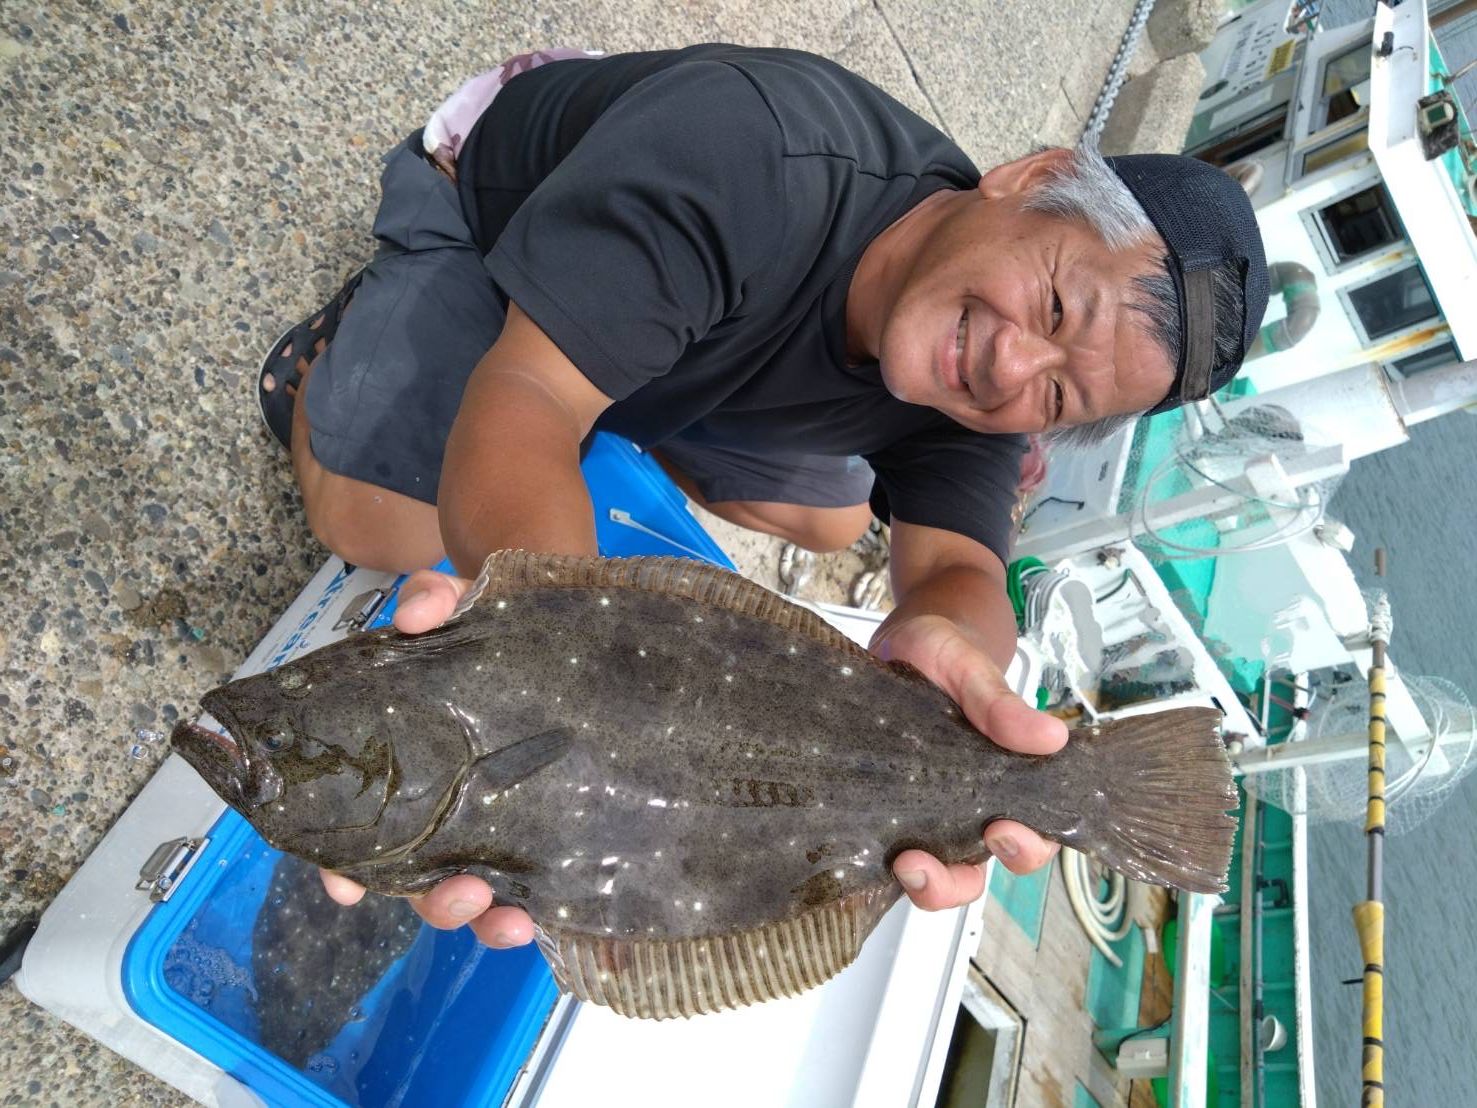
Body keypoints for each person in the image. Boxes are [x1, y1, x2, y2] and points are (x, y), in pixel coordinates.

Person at [259, 45, 1268, 950]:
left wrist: (956, 651)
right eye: (1051, 304)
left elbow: (960, 569)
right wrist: (551, 638)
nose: (1011, 367)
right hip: (497, 222)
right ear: (1031, 181)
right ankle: (364, 357)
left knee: (832, 518)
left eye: (1057, 396)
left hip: (689, 326)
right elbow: (529, 394)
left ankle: (628, 384)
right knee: (381, 522)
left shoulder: (976, 383)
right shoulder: (744, 148)